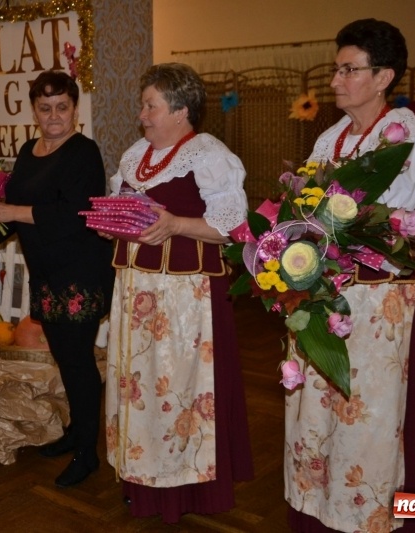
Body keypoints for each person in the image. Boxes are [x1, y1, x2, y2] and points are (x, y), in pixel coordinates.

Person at [284, 19, 415, 533]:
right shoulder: (330, 136)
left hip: (374, 297)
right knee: (318, 411)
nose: (336, 80)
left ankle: (370, 515)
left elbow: (384, 214)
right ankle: (320, 511)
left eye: (350, 70)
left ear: (384, 76)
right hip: (324, 289)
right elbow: (304, 204)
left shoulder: (406, 132)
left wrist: (318, 228)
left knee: (367, 414)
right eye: (336, 67)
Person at [102, 63, 254, 524]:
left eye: (151, 105)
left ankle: (184, 488)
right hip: (136, 294)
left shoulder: (209, 155)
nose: (142, 114)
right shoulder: (136, 155)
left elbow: (233, 228)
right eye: (143, 105)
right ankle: (141, 479)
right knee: (139, 388)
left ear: (182, 110)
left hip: (186, 302)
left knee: (180, 391)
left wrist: (176, 225)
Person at [0, 70, 114, 488]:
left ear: (75, 108)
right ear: (34, 110)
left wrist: (13, 214)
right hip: (46, 272)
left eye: (62, 106)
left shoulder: (83, 152)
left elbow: (77, 213)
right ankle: (76, 430)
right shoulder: (28, 149)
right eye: (45, 107)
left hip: (80, 271)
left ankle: (88, 453)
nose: (54, 115)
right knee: (65, 359)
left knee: (77, 360)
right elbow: (21, 201)